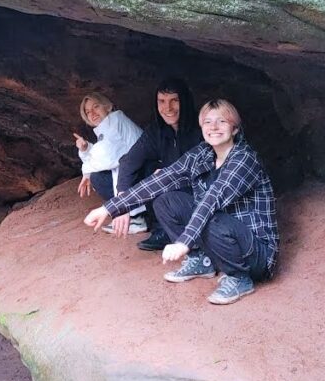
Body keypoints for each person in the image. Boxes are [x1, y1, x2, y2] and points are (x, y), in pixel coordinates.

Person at [84, 99, 278, 305]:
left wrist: (183, 242)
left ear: (235, 128)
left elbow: (212, 200)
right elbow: (163, 179)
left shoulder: (244, 159)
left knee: (211, 214)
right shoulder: (202, 153)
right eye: (208, 122)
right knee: (165, 200)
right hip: (223, 236)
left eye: (222, 121)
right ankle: (202, 260)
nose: (214, 127)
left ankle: (240, 278)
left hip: (257, 254)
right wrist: (110, 208)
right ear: (201, 126)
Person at [108, 77, 203, 251]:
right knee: (147, 169)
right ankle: (162, 230)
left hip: (198, 195)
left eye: (174, 100)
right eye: (162, 101)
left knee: (159, 178)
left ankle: (187, 238)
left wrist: (164, 176)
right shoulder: (157, 131)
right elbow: (129, 162)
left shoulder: (202, 128)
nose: (168, 108)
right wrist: (122, 204)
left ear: (185, 101)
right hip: (170, 190)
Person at [73, 92, 144, 231]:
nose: (92, 113)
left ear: (108, 106)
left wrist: (86, 171)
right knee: (97, 177)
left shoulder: (116, 120)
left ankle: (137, 218)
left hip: (142, 175)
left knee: (97, 177)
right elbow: (106, 151)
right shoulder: (108, 126)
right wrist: (86, 148)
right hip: (136, 176)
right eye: (88, 112)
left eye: (96, 107)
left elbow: (106, 157)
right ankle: (134, 215)